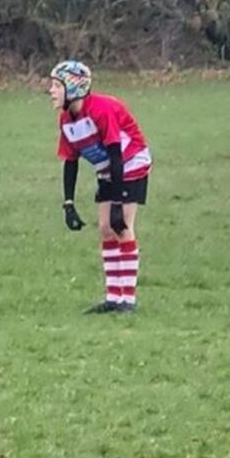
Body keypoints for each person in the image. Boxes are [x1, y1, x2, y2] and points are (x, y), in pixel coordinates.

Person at [49, 61, 151, 314]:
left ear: (73, 87)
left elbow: (116, 154)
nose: (51, 91)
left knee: (122, 226)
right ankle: (113, 298)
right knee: (106, 229)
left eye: (56, 86)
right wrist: (68, 204)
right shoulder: (66, 120)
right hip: (109, 168)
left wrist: (117, 203)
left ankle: (127, 300)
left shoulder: (101, 109)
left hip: (130, 162)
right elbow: (70, 161)